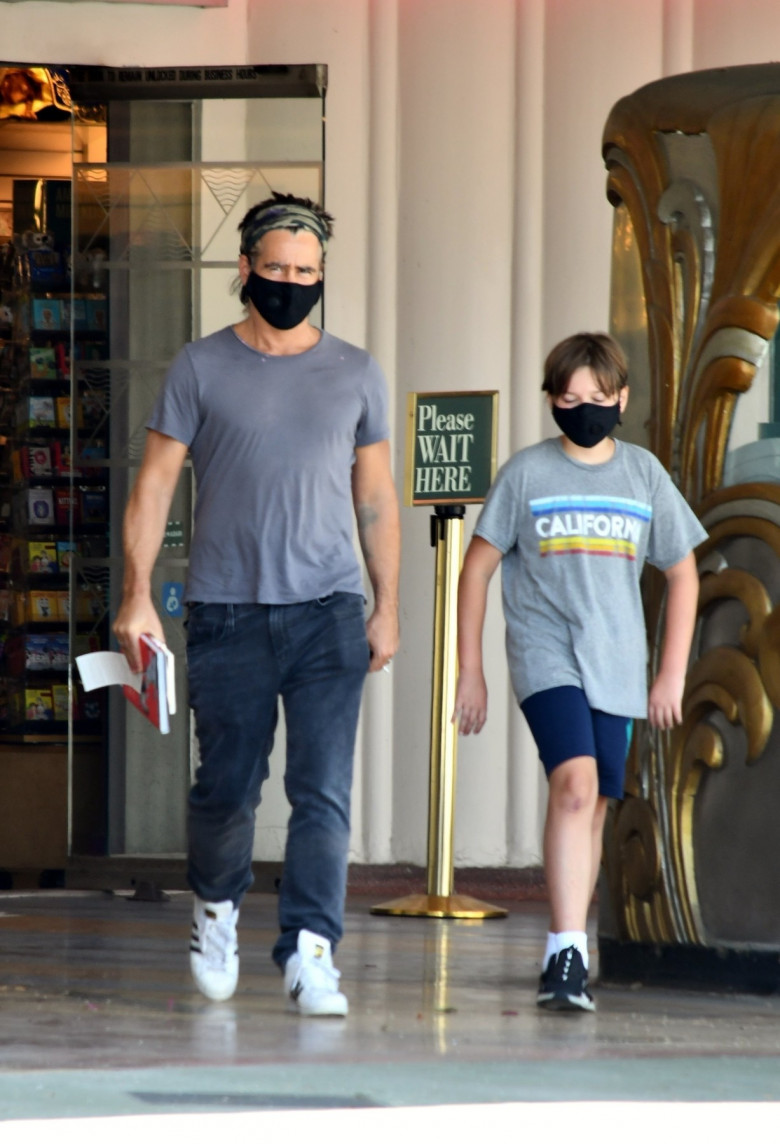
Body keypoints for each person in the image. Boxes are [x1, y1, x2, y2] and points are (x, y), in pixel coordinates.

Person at [114, 192, 400, 1016]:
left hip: (328, 611)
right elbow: (156, 483)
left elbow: (376, 496)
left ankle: (312, 950)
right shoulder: (199, 367)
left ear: (321, 277)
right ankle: (216, 906)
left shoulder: (355, 370)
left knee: (323, 790)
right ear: (244, 269)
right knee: (228, 788)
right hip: (227, 611)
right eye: (275, 268)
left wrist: (387, 606)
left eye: (305, 272)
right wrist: (137, 596)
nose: (290, 282)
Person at [453, 332, 705, 1013]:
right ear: (551, 399)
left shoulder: (643, 475)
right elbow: (476, 569)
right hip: (546, 652)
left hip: (618, 662)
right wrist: (470, 669)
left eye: (598, 398)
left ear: (622, 398)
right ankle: (565, 950)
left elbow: (682, 574)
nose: (584, 408)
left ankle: (574, 944)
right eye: (569, 398)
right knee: (575, 785)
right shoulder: (527, 474)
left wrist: (670, 675)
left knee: (593, 806)